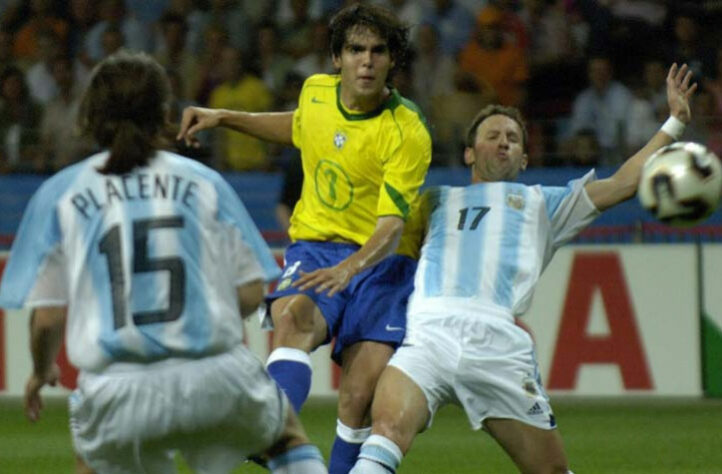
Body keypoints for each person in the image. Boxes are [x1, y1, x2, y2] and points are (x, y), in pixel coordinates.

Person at [350, 63, 696, 474]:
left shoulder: (544, 203)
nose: (503, 143)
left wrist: (675, 122)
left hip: (497, 343)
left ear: (526, 158)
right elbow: (386, 244)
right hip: (429, 334)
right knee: (385, 431)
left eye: (512, 139)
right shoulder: (434, 200)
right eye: (492, 136)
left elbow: (623, 182)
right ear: (468, 152)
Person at [0, 51, 328, 474]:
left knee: (93, 461)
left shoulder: (60, 193)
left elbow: (46, 321)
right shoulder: (204, 182)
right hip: (214, 374)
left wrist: (40, 371)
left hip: (117, 386)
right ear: (163, 113)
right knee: (286, 440)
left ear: (91, 115)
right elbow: (250, 292)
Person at [177, 4, 432, 473]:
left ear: (393, 61)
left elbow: (392, 227)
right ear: (337, 58)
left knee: (359, 395)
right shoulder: (316, 94)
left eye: (378, 51)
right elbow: (296, 127)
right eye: (356, 49)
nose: (367, 61)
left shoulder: (407, 130)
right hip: (317, 246)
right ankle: (271, 429)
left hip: (382, 263)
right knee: (292, 317)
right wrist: (222, 116)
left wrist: (349, 269)